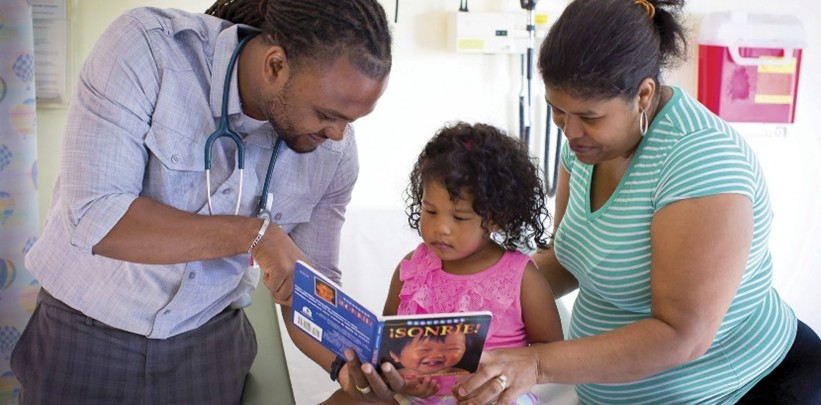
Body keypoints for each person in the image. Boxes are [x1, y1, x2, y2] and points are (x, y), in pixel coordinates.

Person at [11, 0, 392, 403]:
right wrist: (254, 236)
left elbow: (310, 291)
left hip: (209, 353)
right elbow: (95, 215)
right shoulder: (148, 49)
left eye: (351, 121)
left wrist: (352, 370)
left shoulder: (333, 155)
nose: (337, 135)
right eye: (327, 113)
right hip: (85, 339)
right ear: (276, 65)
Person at [454, 0, 821, 404]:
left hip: (741, 388)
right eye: (557, 111)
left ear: (643, 94)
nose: (570, 131)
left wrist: (535, 363)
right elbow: (568, 257)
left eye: (589, 116)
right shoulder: (585, 147)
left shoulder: (699, 162)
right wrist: (476, 292)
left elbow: (681, 335)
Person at [326, 122, 565, 404]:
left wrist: (502, 373)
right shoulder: (412, 268)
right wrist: (403, 382)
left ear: (496, 217)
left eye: (460, 217)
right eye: (430, 211)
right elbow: (388, 348)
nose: (441, 228)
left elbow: (550, 351)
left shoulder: (521, 276)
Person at [385, 332, 470, 378]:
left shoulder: (462, 376)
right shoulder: (392, 377)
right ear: (394, 355)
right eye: (423, 350)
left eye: (451, 349)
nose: (437, 355)